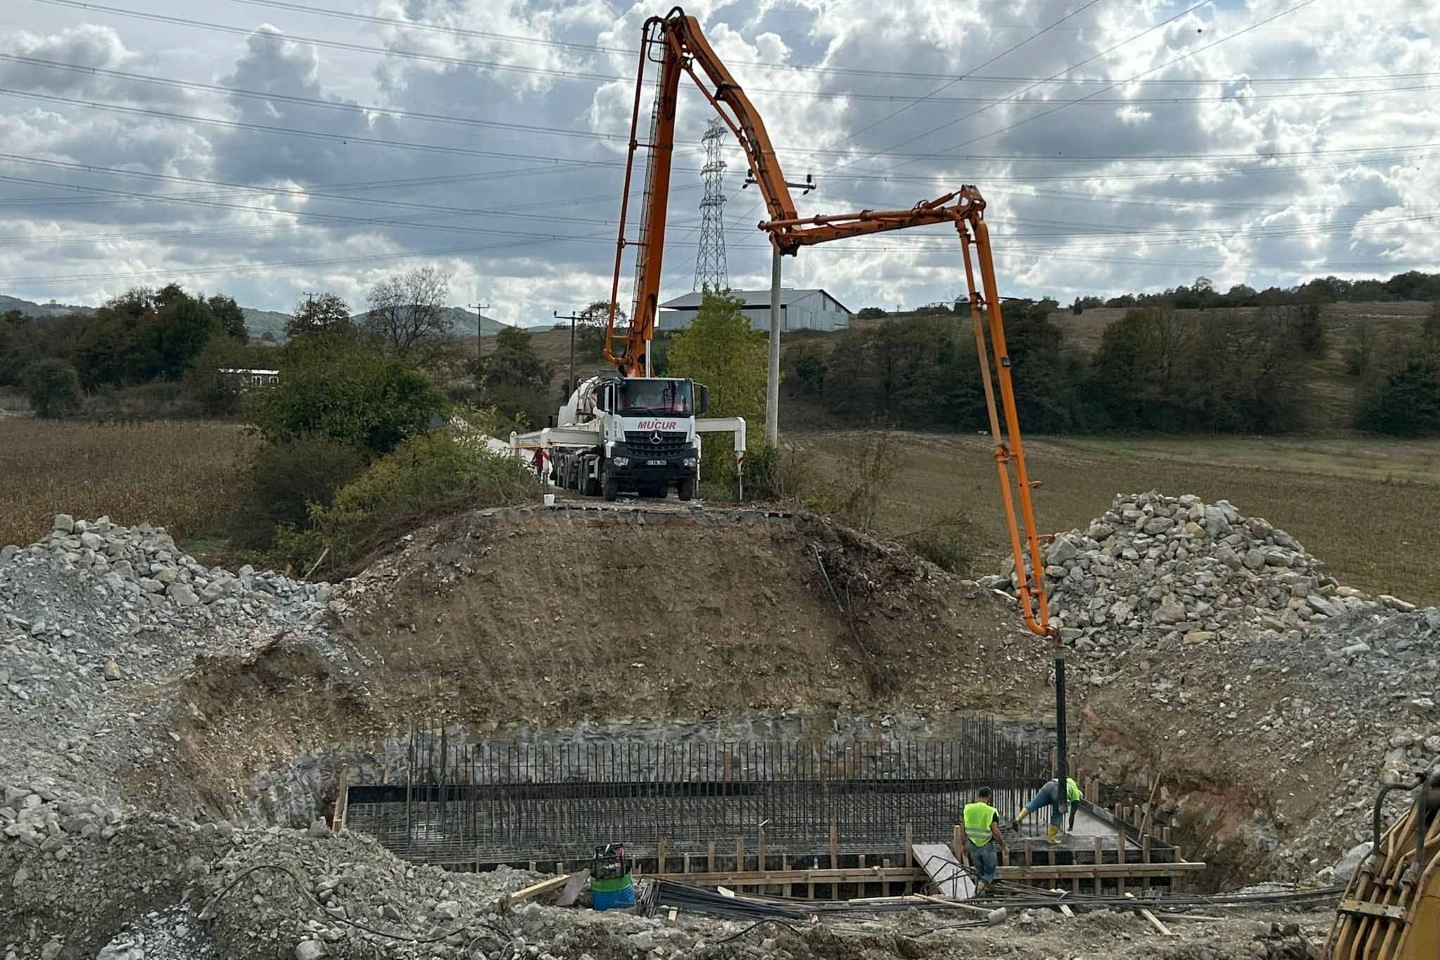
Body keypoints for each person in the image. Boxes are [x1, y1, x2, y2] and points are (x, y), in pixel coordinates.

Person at [960, 786, 1007, 894]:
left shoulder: (967, 809)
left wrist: (963, 845)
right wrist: (1003, 845)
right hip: (987, 845)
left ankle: (981, 894)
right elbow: (995, 831)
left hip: (972, 844)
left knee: (980, 872)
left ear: (978, 795)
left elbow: (962, 828)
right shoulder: (991, 811)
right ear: (989, 797)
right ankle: (982, 886)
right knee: (990, 871)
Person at [1012, 777, 1082, 844]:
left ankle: (1018, 819)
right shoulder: (1076, 797)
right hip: (1059, 791)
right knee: (1057, 814)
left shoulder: (1071, 781)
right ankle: (1051, 838)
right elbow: (1072, 814)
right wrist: (1070, 827)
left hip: (1049, 785)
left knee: (1034, 803)